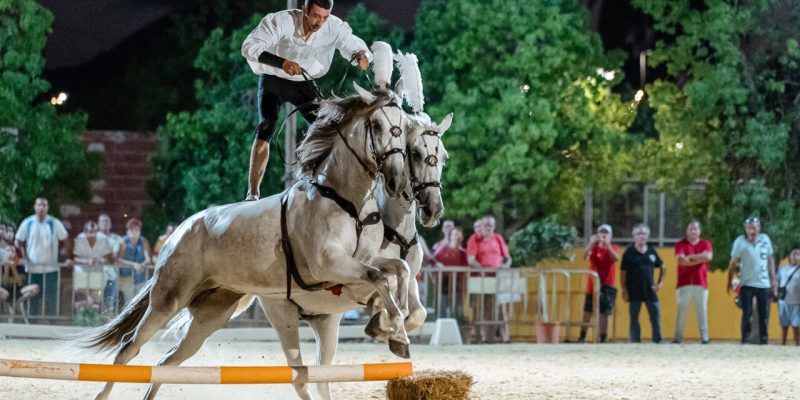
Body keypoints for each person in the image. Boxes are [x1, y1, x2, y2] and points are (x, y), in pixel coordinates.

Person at [241, 0, 372, 201]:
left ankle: (328, 183)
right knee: (267, 124)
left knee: (328, 129)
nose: (319, 22)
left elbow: (351, 43)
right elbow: (249, 47)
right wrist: (282, 63)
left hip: (303, 82)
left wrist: (361, 55)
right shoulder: (282, 21)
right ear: (304, 10)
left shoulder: (332, 26)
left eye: (324, 17)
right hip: (274, 79)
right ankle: (252, 193)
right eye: (315, 16)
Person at [14, 197, 70, 318]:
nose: (41, 207)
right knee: (32, 300)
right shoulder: (28, 222)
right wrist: (22, 257)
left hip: (51, 270)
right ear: (35, 207)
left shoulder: (54, 223)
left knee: (51, 299)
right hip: (32, 269)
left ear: (47, 207)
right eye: (39, 205)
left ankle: (52, 326)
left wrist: (69, 256)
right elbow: (18, 240)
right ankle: (31, 327)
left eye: (44, 205)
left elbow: (66, 239)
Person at [727, 216, 776, 345]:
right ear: (745, 229)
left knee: (763, 314)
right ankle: (745, 340)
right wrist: (729, 279)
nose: (752, 230)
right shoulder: (740, 242)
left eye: (754, 227)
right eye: (749, 228)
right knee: (747, 313)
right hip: (747, 283)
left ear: (759, 228)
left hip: (763, 283)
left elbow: (770, 260)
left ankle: (764, 340)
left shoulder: (765, 240)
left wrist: (774, 280)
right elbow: (733, 262)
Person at [467, 216, 512, 343]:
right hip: (480, 280)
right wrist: (483, 270)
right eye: (485, 225)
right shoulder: (475, 239)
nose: (487, 228)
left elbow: (508, 258)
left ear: (494, 226)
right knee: (479, 309)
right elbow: (471, 259)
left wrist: (505, 266)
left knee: (499, 308)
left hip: (497, 279)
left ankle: (504, 337)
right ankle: (479, 337)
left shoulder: (498, 238)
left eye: (490, 226)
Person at [621, 224, 664, 343]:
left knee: (655, 316)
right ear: (634, 236)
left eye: (644, 233)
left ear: (647, 236)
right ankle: (635, 341)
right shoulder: (629, 252)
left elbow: (662, 267)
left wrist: (659, 283)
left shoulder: (651, 251)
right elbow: (623, 273)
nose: (641, 236)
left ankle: (657, 340)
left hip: (650, 290)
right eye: (639, 233)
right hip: (633, 290)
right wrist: (624, 290)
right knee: (634, 318)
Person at [578, 224, 620, 343]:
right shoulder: (594, 248)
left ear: (610, 236)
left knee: (604, 313)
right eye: (601, 232)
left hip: (607, 285)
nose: (603, 235)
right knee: (587, 311)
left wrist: (607, 246)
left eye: (606, 233)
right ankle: (582, 337)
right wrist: (591, 243)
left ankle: (603, 338)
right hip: (593, 285)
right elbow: (585, 256)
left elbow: (615, 258)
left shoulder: (614, 247)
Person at [673, 220, 713, 344]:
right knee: (682, 311)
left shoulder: (706, 243)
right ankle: (678, 338)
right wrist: (700, 258)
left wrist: (690, 257)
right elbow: (681, 260)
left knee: (702, 311)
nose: (693, 231)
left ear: (699, 231)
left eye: (695, 229)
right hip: (684, 282)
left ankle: (705, 338)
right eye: (690, 229)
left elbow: (708, 257)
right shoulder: (680, 244)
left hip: (701, 282)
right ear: (687, 230)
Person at [1, 224, 40, 322]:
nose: (10, 253)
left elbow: (20, 283)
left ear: (15, 253)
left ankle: (17, 303)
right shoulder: (2, 265)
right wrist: (6, 268)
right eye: (8, 251)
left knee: (35, 288)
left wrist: (14, 269)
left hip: (19, 291)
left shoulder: (20, 265)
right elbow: (4, 282)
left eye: (12, 251)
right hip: (5, 291)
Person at [72, 221, 113, 311]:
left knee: (96, 300)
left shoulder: (103, 239)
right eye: (90, 231)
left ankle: (94, 319)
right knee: (81, 298)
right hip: (81, 271)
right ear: (85, 231)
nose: (92, 233)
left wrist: (100, 260)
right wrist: (87, 261)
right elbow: (75, 258)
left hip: (98, 272)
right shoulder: (80, 238)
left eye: (94, 231)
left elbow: (109, 258)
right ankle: (80, 317)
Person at [433, 227, 468, 318]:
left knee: (457, 308)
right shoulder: (442, 249)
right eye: (455, 234)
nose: (457, 237)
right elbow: (434, 261)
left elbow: (466, 269)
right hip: (444, 282)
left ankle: (457, 327)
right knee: (442, 306)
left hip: (457, 283)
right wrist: (437, 265)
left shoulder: (463, 253)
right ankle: (441, 326)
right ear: (451, 236)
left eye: (459, 235)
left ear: (462, 238)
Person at [117, 219, 152, 305]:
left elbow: (148, 259)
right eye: (132, 229)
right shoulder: (123, 241)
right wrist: (133, 264)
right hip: (126, 276)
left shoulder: (144, 241)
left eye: (136, 230)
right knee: (129, 301)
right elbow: (118, 259)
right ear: (127, 231)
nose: (134, 232)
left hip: (140, 276)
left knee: (139, 301)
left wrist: (141, 265)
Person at [98, 213, 124, 314]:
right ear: (98, 223)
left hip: (111, 273)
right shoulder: (94, 237)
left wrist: (103, 258)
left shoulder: (116, 238)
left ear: (110, 224)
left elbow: (113, 255)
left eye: (107, 221)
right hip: (95, 272)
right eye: (102, 221)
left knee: (110, 297)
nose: (105, 223)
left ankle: (109, 313)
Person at [776, 249, 800, 346]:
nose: (795, 256)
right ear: (790, 257)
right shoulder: (783, 268)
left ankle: (797, 346)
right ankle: (782, 345)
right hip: (783, 302)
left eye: (798, 254)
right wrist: (776, 292)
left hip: (796, 302)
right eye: (794, 254)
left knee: (796, 326)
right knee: (783, 326)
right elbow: (777, 280)